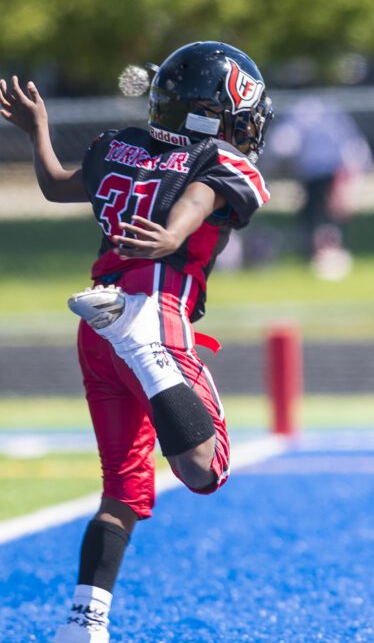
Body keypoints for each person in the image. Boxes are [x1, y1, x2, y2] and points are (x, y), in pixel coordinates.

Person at [0, 41, 273, 643]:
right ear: (212, 114)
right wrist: (173, 236)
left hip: (97, 325)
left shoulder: (117, 146)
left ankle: (83, 623)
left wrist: (38, 130)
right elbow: (202, 193)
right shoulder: (218, 158)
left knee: (123, 484)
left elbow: (55, 185)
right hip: (151, 314)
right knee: (207, 469)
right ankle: (149, 355)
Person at [264, 96, 374, 280]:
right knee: (325, 216)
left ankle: (324, 256)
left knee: (319, 217)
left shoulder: (302, 110)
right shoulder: (330, 107)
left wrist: (271, 162)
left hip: (319, 172)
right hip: (327, 171)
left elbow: (284, 143)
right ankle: (324, 254)